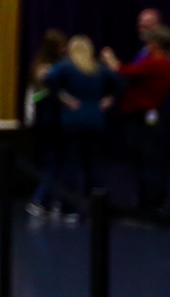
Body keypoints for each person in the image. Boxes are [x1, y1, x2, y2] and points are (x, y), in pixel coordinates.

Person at [45, 35, 121, 222]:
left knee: (71, 164)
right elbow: (120, 81)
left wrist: (63, 98)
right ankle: (96, 207)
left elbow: (48, 80)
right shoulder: (98, 68)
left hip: (73, 120)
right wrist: (108, 100)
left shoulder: (65, 66)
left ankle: (69, 207)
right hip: (95, 119)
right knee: (94, 165)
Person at [101, 25, 170, 210]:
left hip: (142, 119)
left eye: (150, 42)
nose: (147, 46)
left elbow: (124, 71)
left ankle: (149, 205)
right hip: (148, 118)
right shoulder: (163, 63)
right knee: (149, 161)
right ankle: (151, 201)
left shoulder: (155, 63)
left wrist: (109, 58)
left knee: (147, 162)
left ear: (157, 44)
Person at [25, 28, 67, 217]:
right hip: (48, 120)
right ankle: (39, 200)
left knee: (53, 163)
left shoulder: (40, 64)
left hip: (44, 119)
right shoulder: (47, 69)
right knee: (51, 163)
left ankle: (49, 200)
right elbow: (38, 95)